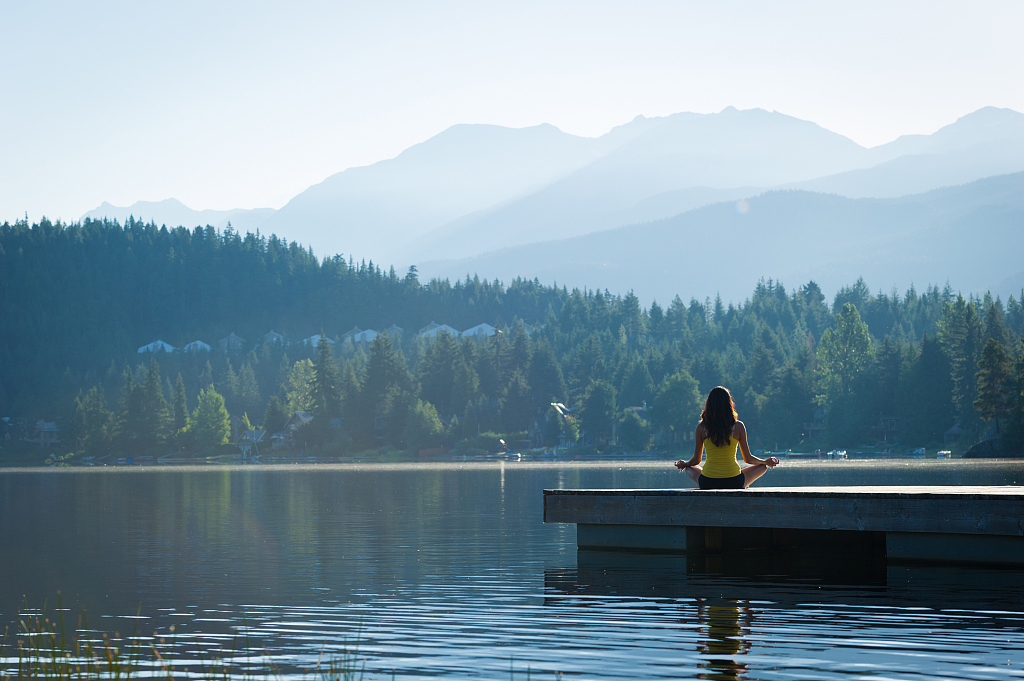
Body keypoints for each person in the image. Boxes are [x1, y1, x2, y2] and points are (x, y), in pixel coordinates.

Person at [675, 386, 779, 489]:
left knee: (689, 468)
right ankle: (744, 484)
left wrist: (685, 464)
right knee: (762, 467)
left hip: (707, 482)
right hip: (734, 481)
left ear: (709, 404)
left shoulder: (701, 427)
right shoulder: (738, 426)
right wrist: (765, 462)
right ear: (729, 404)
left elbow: (696, 461)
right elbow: (748, 459)